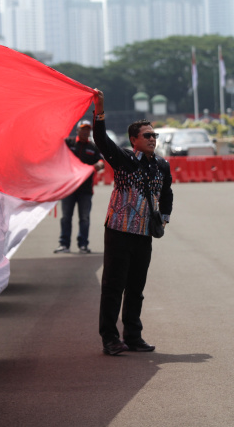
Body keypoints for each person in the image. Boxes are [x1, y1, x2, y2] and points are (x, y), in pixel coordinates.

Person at [91, 89, 173, 356]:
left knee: (136, 287)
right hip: (119, 231)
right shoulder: (124, 159)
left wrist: (165, 216)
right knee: (114, 286)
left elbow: (168, 191)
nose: (152, 139)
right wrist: (100, 110)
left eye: (154, 135)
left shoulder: (162, 165)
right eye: (147, 136)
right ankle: (110, 338)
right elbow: (101, 139)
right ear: (134, 140)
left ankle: (133, 336)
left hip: (144, 234)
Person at [54, 120, 104, 254]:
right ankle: (64, 244)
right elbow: (55, 151)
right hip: (69, 188)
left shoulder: (93, 147)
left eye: (88, 129)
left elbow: (101, 160)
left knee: (84, 218)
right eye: (83, 129)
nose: (85, 131)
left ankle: (83, 244)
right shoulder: (68, 143)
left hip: (85, 190)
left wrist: (99, 164)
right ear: (77, 130)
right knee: (66, 217)